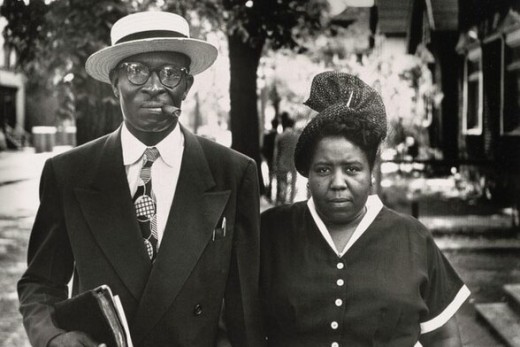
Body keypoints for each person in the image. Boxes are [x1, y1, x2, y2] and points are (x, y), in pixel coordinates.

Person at [18, 11, 265, 347]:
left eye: (170, 74)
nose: (153, 87)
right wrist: (53, 337)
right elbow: (40, 283)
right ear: (113, 82)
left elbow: (245, 305)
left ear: (187, 85)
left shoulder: (233, 173)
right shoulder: (69, 173)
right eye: (136, 72)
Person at [260, 71, 470, 347]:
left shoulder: (412, 238)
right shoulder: (272, 231)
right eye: (323, 169)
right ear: (307, 174)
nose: (338, 183)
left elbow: (445, 337)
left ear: (372, 171)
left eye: (352, 169)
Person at [273, 112, 298, 205]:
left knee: (281, 184)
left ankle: (280, 202)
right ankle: (291, 202)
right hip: (293, 163)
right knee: (292, 185)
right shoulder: (297, 137)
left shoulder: (280, 136)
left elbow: (276, 153)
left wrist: (274, 164)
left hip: (282, 163)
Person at [261, 117, 279, 202]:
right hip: (277, 159)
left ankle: (269, 195)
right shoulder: (278, 135)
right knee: (277, 177)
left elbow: (264, 148)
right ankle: (277, 196)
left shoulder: (267, 136)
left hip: (269, 158)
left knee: (270, 176)